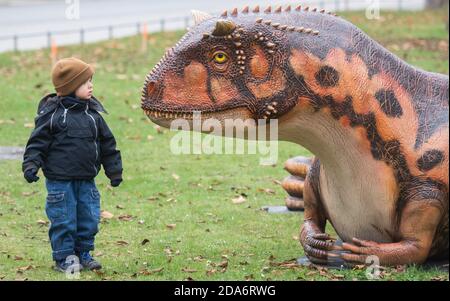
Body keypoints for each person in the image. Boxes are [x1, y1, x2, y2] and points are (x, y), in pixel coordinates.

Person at [22, 57, 123, 273]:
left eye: (90, 81)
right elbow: (37, 143)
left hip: (87, 179)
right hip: (60, 182)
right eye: (85, 82)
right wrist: (31, 165)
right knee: (64, 219)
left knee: (89, 218)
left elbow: (108, 145)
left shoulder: (93, 116)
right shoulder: (53, 116)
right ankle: (65, 257)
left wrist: (114, 170)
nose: (90, 86)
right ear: (69, 87)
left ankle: (84, 253)